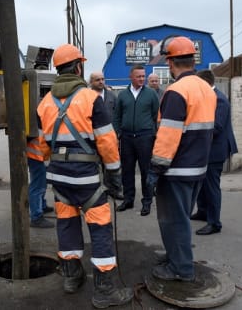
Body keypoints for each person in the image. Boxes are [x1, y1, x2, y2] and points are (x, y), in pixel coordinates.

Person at [36, 44, 133, 308]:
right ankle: (105, 291)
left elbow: (42, 146)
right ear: (78, 67)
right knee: (100, 230)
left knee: (66, 226)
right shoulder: (92, 99)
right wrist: (114, 177)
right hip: (87, 180)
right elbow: (107, 143)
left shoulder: (44, 104)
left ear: (58, 70)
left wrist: (54, 166)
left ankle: (71, 277)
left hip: (59, 180)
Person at [146, 36, 216, 281]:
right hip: (197, 167)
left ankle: (181, 268)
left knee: (174, 221)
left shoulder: (176, 91)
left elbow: (169, 134)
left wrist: (155, 169)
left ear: (171, 63)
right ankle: (176, 257)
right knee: (181, 218)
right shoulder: (206, 89)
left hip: (176, 170)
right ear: (192, 61)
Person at [191, 69, 238, 235]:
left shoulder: (219, 100)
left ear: (205, 83)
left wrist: (192, 133)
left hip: (216, 150)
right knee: (202, 184)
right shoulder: (208, 97)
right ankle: (203, 211)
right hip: (206, 149)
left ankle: (214, 223)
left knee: (211, 187)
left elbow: (216, 127)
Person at [113, 65, 159, 216]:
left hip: (145, 137)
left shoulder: (151, 94)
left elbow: (155, 115)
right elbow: (117, 116)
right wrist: (118, 132)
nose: (142, 79)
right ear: (131, 77)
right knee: (127, 170)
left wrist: (152, 133)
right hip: (126, 137)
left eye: (143, 76)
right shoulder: (122, 95)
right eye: (138, 76)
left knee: (146, 171)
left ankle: (147, 202)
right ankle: (128, 200)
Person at [89, 71, 124, 200]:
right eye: (97, 79)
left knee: (112, 164)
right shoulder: (87, 96)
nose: (101, 82)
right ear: (91, 82)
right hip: (92, 138)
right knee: (94, 165)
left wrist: (117, 131)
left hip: (110, 136)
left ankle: (114, 189)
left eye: (102, 79)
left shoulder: (111, 96)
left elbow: (118, 114)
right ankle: (97, 190)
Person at [26, 135, 54, 228]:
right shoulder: (36, 120)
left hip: (39, 153)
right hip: (36, 154)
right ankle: (36, 217)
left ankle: (41, 205)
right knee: (38, 186)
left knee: (41, 183)